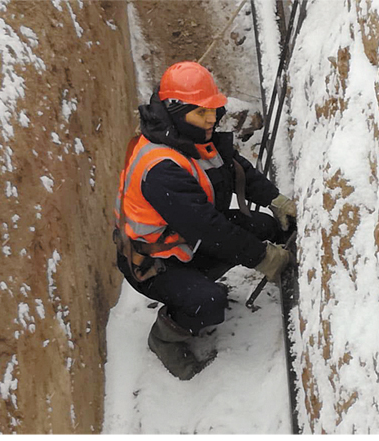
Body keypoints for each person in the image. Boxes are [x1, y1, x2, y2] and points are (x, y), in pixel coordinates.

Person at [113, 61, 296, 380]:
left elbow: (237, 168)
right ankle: (165, 337)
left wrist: (274, 200)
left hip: (184, 240)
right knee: (209, 303)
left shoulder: (193, 134)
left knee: (267, 226)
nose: (212, 118)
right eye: (201, 112)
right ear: (175, 110)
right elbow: (208, 229)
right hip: (153, 263)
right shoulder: (160, 168)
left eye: (212, 109)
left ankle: (205, 278)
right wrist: (262, 257)